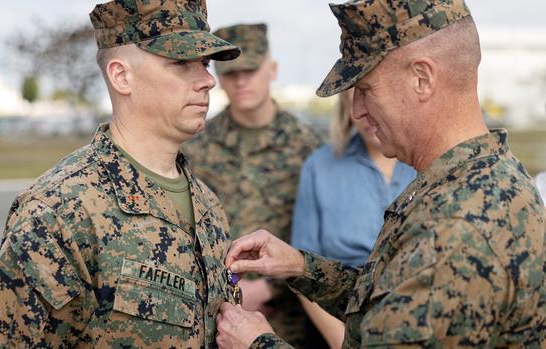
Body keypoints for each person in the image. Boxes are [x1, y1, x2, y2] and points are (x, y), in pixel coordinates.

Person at [215, 1, 546, 348]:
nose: (356, 109)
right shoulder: (476, 179)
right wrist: (300, 266)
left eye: (367, 89)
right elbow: (391, 303)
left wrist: (256, 343)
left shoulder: (455, 226)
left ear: (422, 78)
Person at [0, 0, 243, 347]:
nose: (208, 81)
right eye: (182, 64)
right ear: (122, 76)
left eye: (205, 63)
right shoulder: (60, 211)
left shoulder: (208, 206)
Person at [183, 23, 322, 348]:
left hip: (288, 317)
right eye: (230, 73)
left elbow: (321, 237)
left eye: (251, 69)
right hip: (216, 316)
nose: (241, 80)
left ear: (271, 70)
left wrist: (270, 288)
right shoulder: (195, 145)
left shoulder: (308, 146)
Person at [291, 89, 415, 348]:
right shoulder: (320, 166)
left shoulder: (425, 163)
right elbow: (300, 268)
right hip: (337, 322)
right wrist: (342, 341)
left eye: (374, 96)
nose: (366, 113)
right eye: (355, 100)